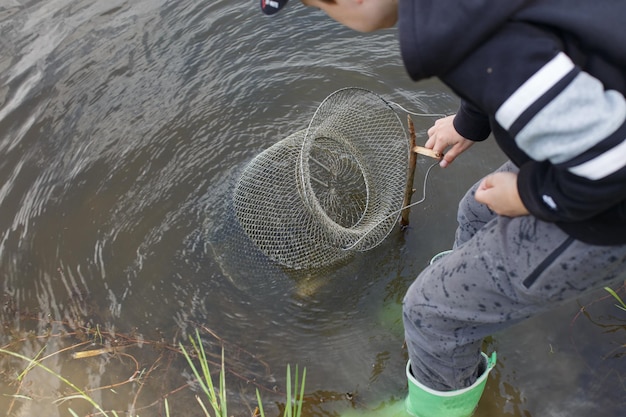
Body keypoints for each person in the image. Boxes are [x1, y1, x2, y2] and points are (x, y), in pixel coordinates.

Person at [258, 1, 626, 416]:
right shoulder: (462, 16)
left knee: (429, 313)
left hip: (604, 208)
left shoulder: (461, 41)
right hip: (588, 148)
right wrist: (470, 120)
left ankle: (434, 400)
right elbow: (527, 64)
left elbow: (612, 164)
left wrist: (525, 194)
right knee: (477, 209)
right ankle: (464, 312)